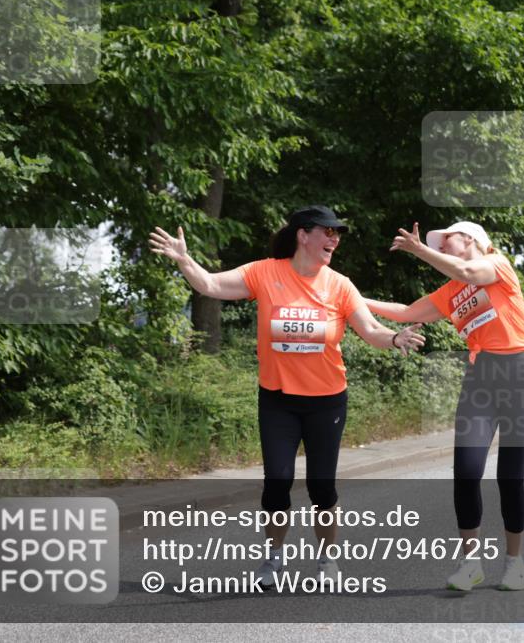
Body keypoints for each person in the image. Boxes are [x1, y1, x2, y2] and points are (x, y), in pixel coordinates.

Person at [149, 205, 425, 587]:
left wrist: (394, 338)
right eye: (328, 231)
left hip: (326, 401)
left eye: (337, 234)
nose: (334, 239)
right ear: (303, 235)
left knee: (321, 487)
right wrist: (184, 260)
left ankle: (327, 559)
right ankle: (274, 558)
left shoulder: (339, 285)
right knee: (277, 482)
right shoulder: (265, 273)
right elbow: (210, 285)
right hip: (278, 400)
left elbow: (371, 329)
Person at [364, 221, 524, 592]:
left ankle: (515, 563)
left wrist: (419, 250)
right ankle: (470, 564)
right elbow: (406, 312)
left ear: (472, 239)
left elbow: (467, 271)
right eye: (439, 242)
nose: (442, 245)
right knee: (466, 471)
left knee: (510, 479)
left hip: (519, 377)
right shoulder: (451, 291)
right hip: (481, 380)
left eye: (448, 239)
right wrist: (351, 298)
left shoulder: (496, 265)